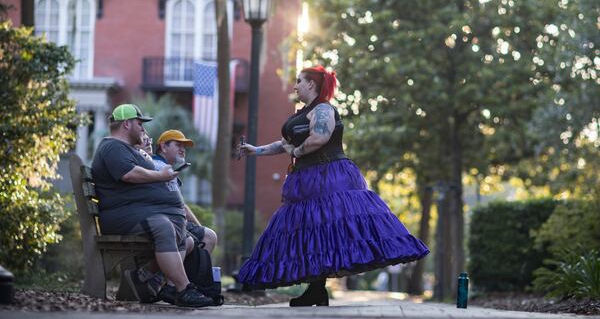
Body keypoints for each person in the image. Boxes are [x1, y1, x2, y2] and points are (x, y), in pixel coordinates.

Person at [237, 66, 430, 306]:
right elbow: (285, 143)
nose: (295, 86)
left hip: (330, 176)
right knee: (313, 232)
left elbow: (320, 137)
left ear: (311, 84)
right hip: (307, 179)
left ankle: (317, 290)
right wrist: (256, 150)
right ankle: (316, 290)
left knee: (327, 228)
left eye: (299, 81)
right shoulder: (304, 112)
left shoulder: (324, 109)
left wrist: (296, 151)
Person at [91, 104, 213, 307]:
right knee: (163, 226)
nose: (143, 129)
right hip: (122, 217)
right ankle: (184, 290)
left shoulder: (128, 149)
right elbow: (128, 174)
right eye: (140, 124)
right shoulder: (112, 146)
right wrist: (161, 175)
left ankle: (154, 281)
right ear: (127, 124)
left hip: (140, 214)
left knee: (186, 238)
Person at [151, 129, 219, 303]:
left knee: (208, 236)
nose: (182, 149)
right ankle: (176, 288)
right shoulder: (156, 166)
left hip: (174, 220)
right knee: (200, 238)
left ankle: (189, 287)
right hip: (163, 222)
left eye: (184, 146)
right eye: (178, 145)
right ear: (163, 147)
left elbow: (181, 204)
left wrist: (198, 227)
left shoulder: (170, 170)